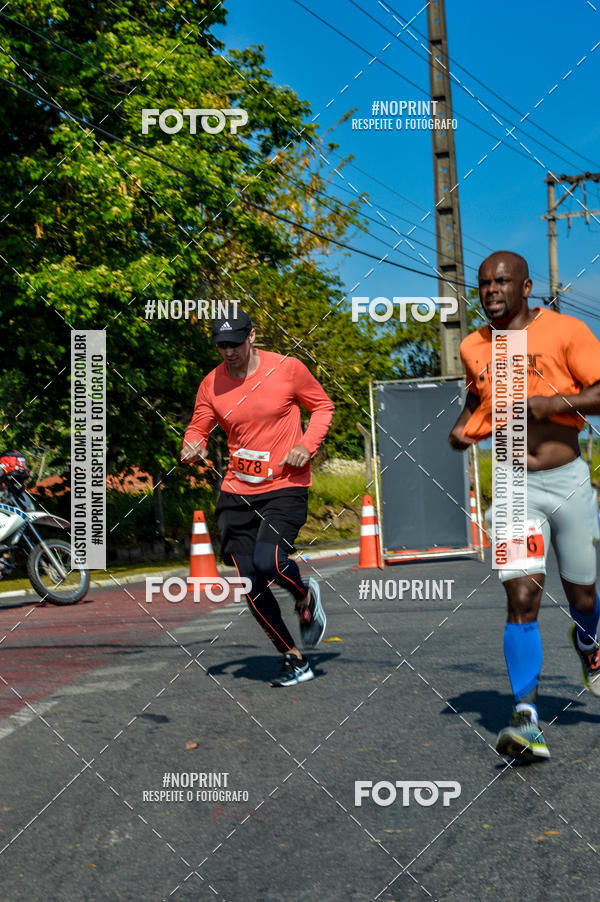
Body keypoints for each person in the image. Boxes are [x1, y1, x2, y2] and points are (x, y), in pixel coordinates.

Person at [449, 251, 600, 761]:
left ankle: (588, 641)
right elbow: (477, 395)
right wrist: (464, 427)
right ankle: (526, 716)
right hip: (513, 483)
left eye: (502, 282)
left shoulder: (565, 332)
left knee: (583, 596)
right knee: (521, 597)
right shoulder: (474, 346)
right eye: (484, 284)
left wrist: (553, 404)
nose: (491, 290)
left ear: (527, 286)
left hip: (568, 480)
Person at [181, 309, 334, 687]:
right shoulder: (211, 384)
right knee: (250, 581)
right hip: (237, 490)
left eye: (234, 343)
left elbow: (323, 407)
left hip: (285, 483)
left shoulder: (287, 368)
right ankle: (293, 658)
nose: (228, 351)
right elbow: (199, 425)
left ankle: (304, 597)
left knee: (272, 561)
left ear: (252, 336)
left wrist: (305, 445)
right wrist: (192, 444)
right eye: (221, 345)